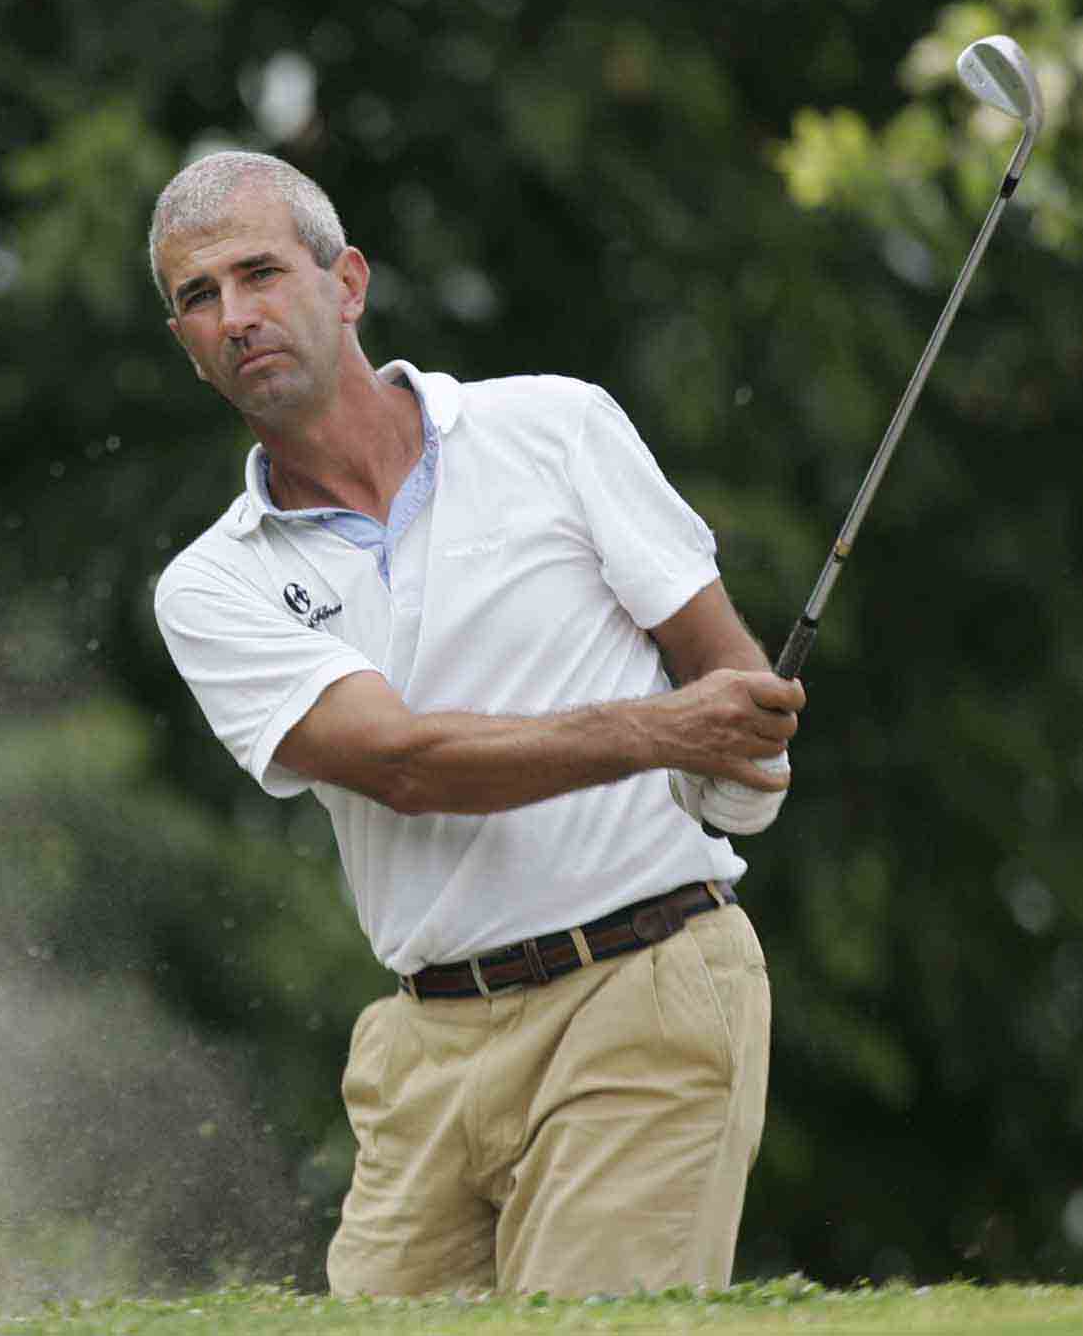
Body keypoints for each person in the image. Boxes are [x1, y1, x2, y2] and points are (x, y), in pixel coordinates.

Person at [146, 150, 805, 1298]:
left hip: (642, 987)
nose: (235, 315)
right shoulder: (210, 587)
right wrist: (665, 735)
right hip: (424, 1051)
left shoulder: (556, 427)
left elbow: (724, 681)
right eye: (198, 297)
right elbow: (403, 766)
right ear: (186, 343)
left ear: (345, 281)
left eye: (257, 273)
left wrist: (742, 761)